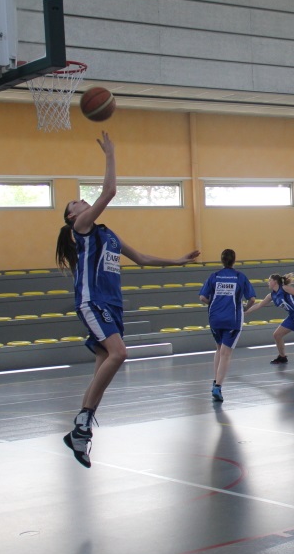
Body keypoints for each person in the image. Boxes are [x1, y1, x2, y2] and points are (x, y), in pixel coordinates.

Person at [55, 132, 200, 467]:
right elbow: (109, 191)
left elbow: (143, 258)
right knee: (120, 354)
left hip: (112, 306)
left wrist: (178, 261)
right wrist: (110, 153)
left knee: (101, 372)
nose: (81, 201)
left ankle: (80, 433)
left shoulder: (108, 234)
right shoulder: (82, 227)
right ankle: (82, 422)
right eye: (75, 202)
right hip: (93, 301)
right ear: (72, 217)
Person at [199, 248, 256, 402]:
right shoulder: (239, 277)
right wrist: (245, 309)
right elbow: (252, 299)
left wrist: (214, 303)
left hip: (214, 318)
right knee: (226, 353)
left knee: (219, 349)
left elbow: (202, 297)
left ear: (222, 260)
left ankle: (215, 381)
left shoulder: (214, 276)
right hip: (232, 319)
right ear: (234, 260)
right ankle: (218, 386)